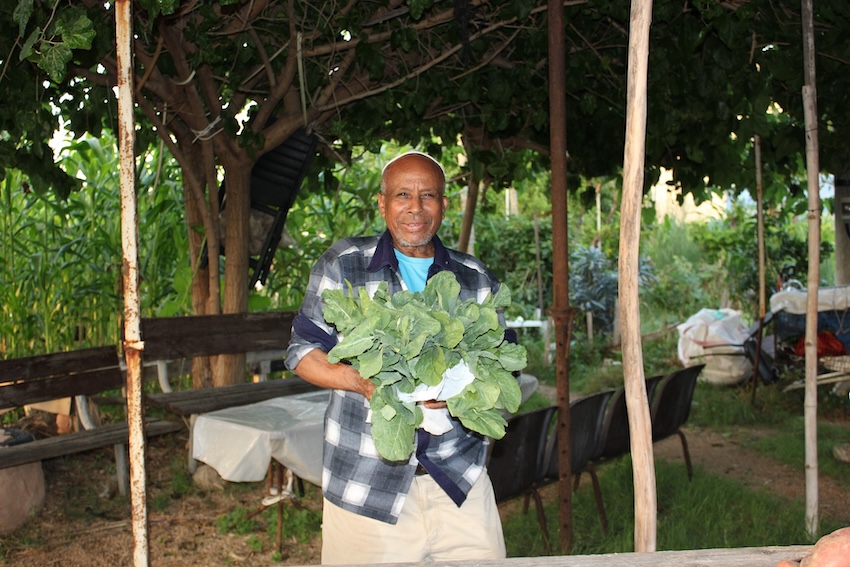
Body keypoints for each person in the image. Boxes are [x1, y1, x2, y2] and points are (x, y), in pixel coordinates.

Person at [286, 151, 509, 564]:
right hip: (364, 485)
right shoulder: (344, 265)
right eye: (403, 194)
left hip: (458, 480)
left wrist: (462, 391)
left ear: (444, 204)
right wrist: (363, 382)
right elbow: (302, 353)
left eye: (428, 196)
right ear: (382, 202)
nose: (415, 208)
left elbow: (501, 365)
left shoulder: (475, 278)